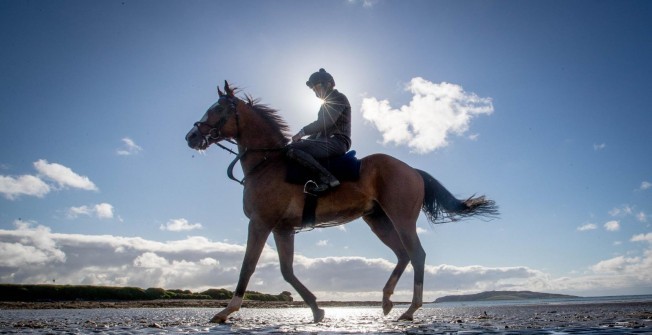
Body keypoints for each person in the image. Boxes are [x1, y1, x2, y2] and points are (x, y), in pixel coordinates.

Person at [286, 68, 352, 193]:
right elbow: (319, 132)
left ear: (327, 84)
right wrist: (304, 140)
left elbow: (324, 123)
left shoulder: (338, 97)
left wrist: (301, 133)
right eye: (314, 90)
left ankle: (328, 179)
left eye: (317, 88)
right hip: (327, 141)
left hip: (337, 142)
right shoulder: (326, 103)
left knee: (291, 149)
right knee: (295, 146)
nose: (315, 92)